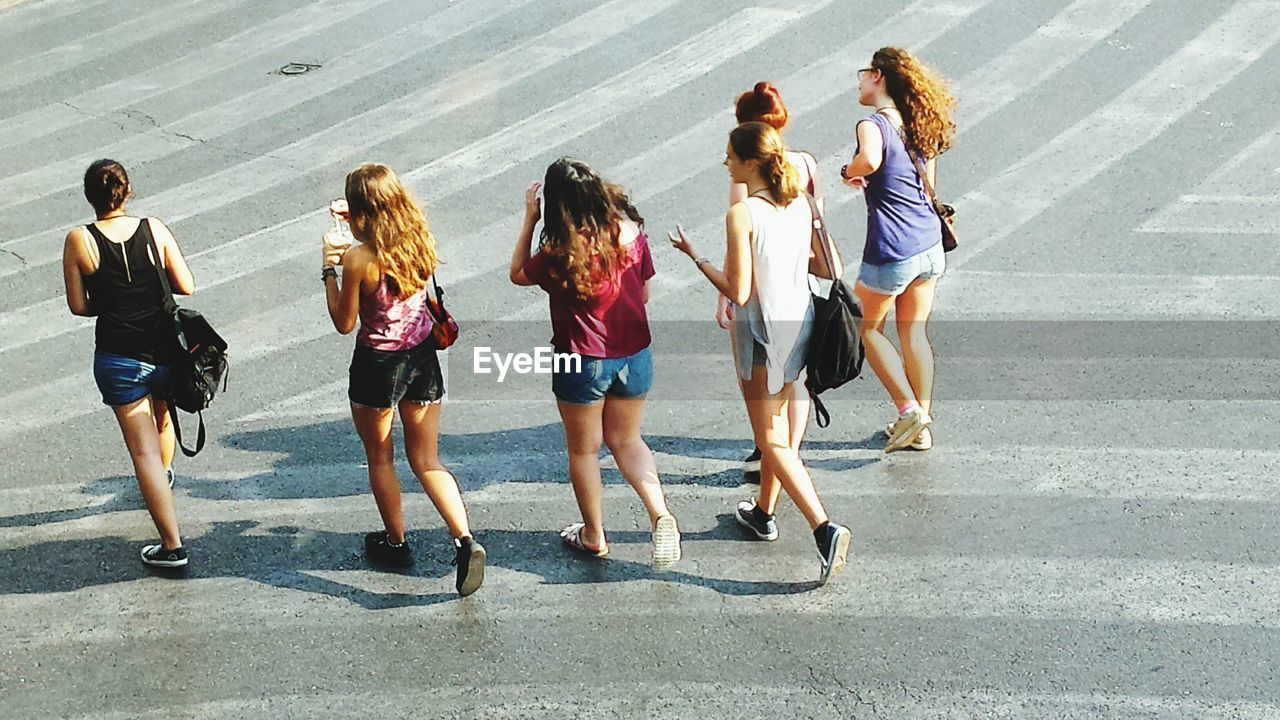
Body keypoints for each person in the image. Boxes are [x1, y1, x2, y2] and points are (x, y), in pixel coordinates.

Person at [670, 123, 851, 584]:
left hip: (761, 332)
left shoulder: (742, 213)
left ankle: (823, 528)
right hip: (801, 323)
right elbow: (824, 262)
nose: (725, 163)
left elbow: (739, 288)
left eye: (730, 156)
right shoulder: (801, 201)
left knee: (770, 437)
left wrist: (696, 257)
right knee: (780, 427)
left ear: (750, 162)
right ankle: (764, 512)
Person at [322, 162, 485, 597]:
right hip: (422, 359)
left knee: (380, 457)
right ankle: (465, 538)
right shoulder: (419, 238)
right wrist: (355, 219)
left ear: (362, 211)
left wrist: (328, 270)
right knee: (428, 460)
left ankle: (395, 541)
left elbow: (343, 322)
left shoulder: (360, 259)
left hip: (377, 366)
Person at [509, 158, 681, 570]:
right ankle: (660, 514)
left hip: (581, 359)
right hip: (634, 354)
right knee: (627, 441)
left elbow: (517, 273)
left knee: (585, 451)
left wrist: (529, 219)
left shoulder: (561, 250)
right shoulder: (630, 233)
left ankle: (593, 534)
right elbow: (646, 295)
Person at [62, 159, 193, 568]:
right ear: (128, 190)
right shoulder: (154, 228)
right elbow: (186, 284)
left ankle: (172, 546)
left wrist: (113, 298)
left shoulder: (78, 240)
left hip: (120, 358)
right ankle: (164, 482)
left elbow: (78, 305)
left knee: (143, 454)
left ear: (90, 197)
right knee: (163, 418)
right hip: (166, 351)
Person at [839, 47, 956, 452]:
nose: (858, 82)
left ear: (878, 76)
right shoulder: (920, 124)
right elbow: (928, 186)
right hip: (929, 244)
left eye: (862, 74)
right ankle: (920, 428)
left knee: (866, 328)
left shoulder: (872, 124)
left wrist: (848, 171)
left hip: (893, 247)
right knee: (914, 334)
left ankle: (909, 411)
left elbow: (869, 159)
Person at [720, 82, 819, 490]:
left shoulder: (747, 186)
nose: (727, 164)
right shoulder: (805, 169)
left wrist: (714, 278)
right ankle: (779, 474)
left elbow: (740, 255)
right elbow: (817, 232)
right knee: (794, 383)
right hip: (799, 294)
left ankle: (784, 468)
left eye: (728, 158)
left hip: (761, 306)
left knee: (767, 425)